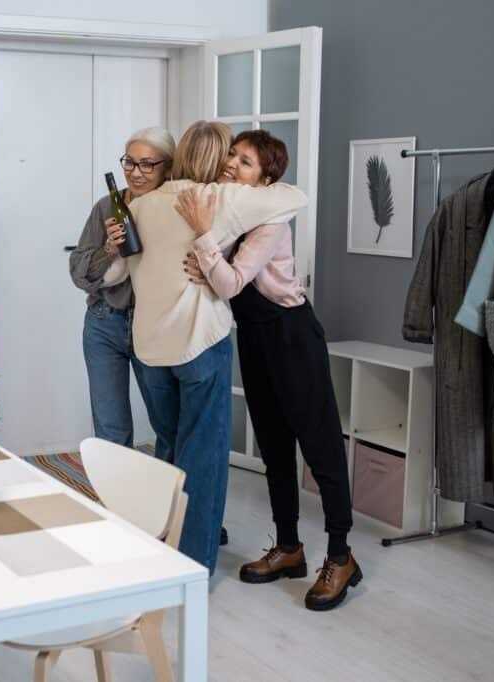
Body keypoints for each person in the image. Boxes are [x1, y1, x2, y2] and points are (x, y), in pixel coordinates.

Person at [101, 121, 307, 574]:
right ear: (217, 161)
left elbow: (114, 275)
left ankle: (158, 546)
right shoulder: (219, 200)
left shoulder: (141, 204)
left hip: (150, 349)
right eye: (230, 156)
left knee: (169, 449)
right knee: (204, 459)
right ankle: (191, 568)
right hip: (198, 345)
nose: (232, 165)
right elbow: (295, 197)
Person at [178, 129, 361, 611]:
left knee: (320, 449)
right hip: (256, 338)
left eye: (246, 161)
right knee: (274, 449)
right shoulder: (232, 210)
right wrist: (211, 268)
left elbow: (230, 281)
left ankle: (341, 556)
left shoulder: (272, 216)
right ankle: (288, 547)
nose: (232, 164)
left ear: (265, 178)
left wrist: (205, 249)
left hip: (292, 335)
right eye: (233, 155)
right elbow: (220, 278)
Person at [69, 127, 174, 447]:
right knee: (110, 428)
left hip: (153, 323)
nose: (136, 173)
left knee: (168, 423)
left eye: (147, 164)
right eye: (129, 162)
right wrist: (109, 250)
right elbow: (79, 273)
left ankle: (168, 482)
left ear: (167, 167)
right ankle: (114, 483)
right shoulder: (106, 207)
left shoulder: (172, 207)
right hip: (103, 321)